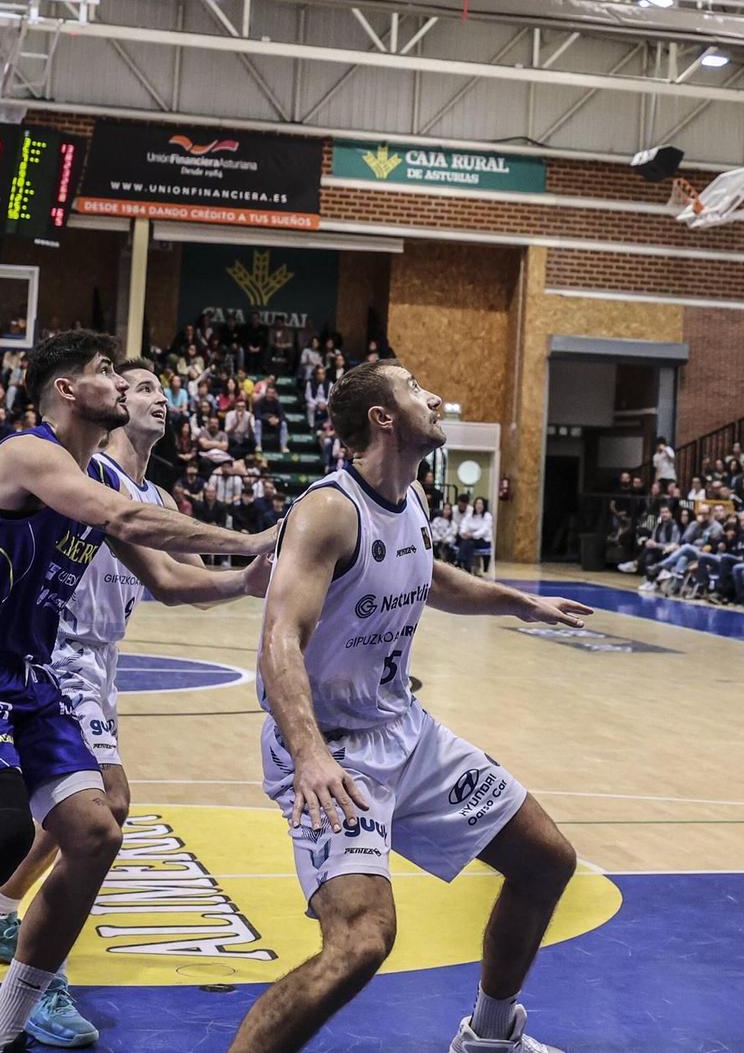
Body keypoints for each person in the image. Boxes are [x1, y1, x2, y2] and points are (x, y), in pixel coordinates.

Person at [0, 331, 275, 1053]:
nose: (121, 383)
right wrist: (248, 539)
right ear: (67, 389)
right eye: (106, 372)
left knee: (95, 830)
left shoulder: (110, 482)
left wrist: (243, 582)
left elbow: (171, 581)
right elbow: (118, 518)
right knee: (5, 832)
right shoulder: (26, 454)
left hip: (29, 676)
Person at [227, 358, 590, 1053]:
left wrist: (523, 601)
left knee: (546, 859)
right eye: (415, 388)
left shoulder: (413, 500)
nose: (434, 395)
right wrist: (308, 753)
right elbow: (279, 638)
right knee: (362, 940)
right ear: (382, 416)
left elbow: (431, 574)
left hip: (406, 732)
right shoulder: (328, 510)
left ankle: (489, 1038)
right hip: (335, 748)